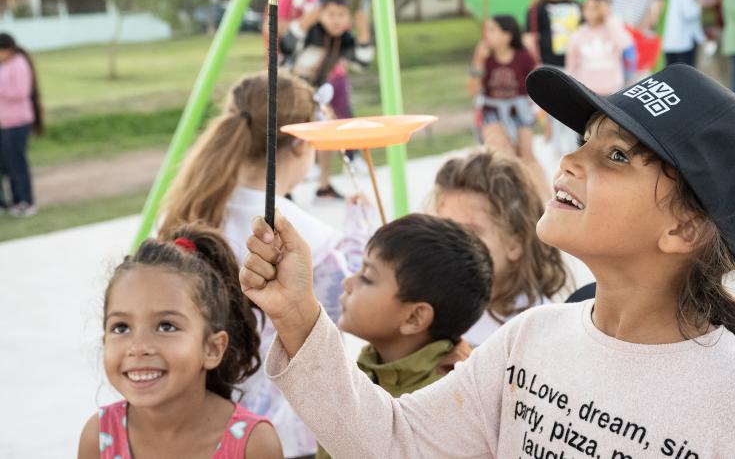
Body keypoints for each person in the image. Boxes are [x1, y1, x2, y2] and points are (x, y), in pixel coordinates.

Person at [240, 63, 735, 457]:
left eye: (618, 155)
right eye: (584, 138)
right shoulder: (530, 339)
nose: (571, 159)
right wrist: (297, 313)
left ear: (684, 228)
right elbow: (394, 440)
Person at [158, 71, 372, 458]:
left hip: (201, 418)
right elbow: (347, 316)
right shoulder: (309, 236)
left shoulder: (186, 215)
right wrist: (362, 239)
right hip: (284, 432)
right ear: (301, 146)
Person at [77, 224, 282, 458]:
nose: (138, 347)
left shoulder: (253, 445)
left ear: (212, 349)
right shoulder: (98, 437)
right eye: (121, 327)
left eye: (166, 326)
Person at [315, 214, 494, 459]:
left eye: (366, 277)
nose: (348, 282)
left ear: (414, 318)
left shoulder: (448, 400)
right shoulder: (367, 368)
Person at [431, 150, 571, 346]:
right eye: (443, 229)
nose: (449, 245)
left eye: (469, 233)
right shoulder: (434, 310)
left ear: (515, 243)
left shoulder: (537, 327)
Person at [280, 0, 373, 201]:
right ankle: (284, 189)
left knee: (327, 127)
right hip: (289, 88)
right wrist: (305, 22)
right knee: (288, 139)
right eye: (331, 14)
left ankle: (324, 184)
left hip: (314, 90)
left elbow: (362, 62)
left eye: (342, 14)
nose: (337, 20)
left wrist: (364, 30)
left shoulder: (343, 39)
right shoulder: (311, 31)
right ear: (319, 14)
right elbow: (286, 45)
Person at [468, 15, 549, 199]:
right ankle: (515, 198)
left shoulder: (524, 57)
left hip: (519, 108)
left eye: (492, 30)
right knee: (504, 154)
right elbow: (473, 90)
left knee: (526, 155)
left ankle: (544, 198)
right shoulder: (485, 57)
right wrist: (478, 61)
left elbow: (538, 85)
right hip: (492, 109)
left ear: (507, 36)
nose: (486, 34)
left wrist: (545, 119)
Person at [523, 0, 582, 153]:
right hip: (550, 64)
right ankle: (555, 151)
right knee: (553, 112)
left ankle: (574, 149)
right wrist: (536, 59)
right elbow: (529, 37)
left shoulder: (577, 5)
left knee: (574, 111)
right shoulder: (537, 9)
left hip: (576, 66)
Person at [0, 32, 44, 217]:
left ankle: (25, 201)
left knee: (17, 164)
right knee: (4, 165)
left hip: (17, 122)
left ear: (7, 50)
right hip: (3, 123)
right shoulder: (3, 65)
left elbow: (21, 92)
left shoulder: (19, 63)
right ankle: (9, 202)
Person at [566, 0, 635, 95]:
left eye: (595, 7)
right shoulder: (578, 34)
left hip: (612, 89)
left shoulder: (612, 27)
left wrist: (608, 17)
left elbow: (625, 44)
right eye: (587, 7)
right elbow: (571, 65)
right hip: (587, 91)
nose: (589, 11)